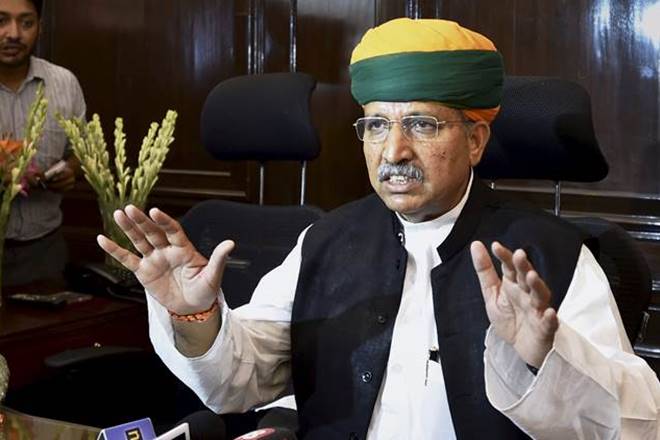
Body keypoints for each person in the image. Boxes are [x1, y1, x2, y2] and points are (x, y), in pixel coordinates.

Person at [99, 18, 660, 439]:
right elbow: (241, 378)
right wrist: (194, 315)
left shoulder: (550, 254)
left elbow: (639, 422)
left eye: (421, 124)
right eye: (375, 125)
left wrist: (548, 356)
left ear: (475, 140)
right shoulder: (327, 240)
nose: (393, 151)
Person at [0, 0, 85, 284]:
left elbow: (82, 153)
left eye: (26, 23)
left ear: (40, 27)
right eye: (1, 21)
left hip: (43, 250)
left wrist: (71, 170)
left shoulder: (64, 83)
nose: (14, 34)